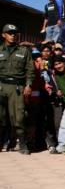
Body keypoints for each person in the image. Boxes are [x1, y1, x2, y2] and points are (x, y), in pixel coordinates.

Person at [0, 24, 34, 154]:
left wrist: (28, 85)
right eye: (9, 33)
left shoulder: (23, 51)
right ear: (3, 35)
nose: (13, 35)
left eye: (15, 33)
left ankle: (23, 145)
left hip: (17, 87)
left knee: (19, 117)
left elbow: (30, 70)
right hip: (1, 85)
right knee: (0, 117)